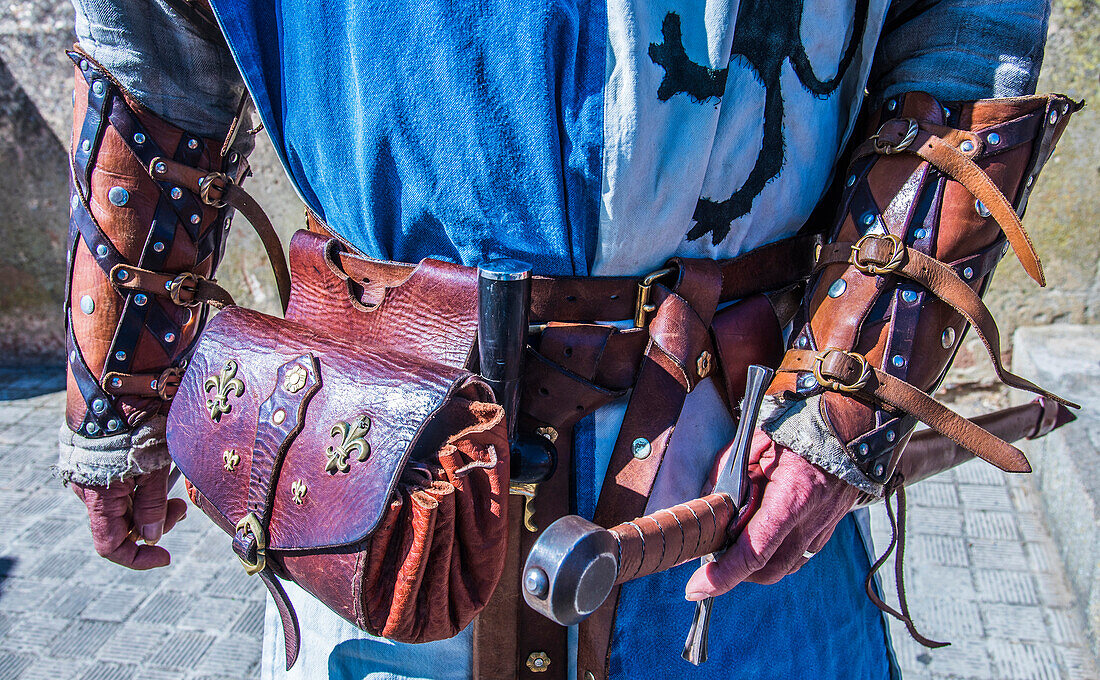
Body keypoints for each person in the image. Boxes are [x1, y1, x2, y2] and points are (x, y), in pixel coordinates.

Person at [58, 0, 1071, 678]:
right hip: (369, 489)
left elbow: (967, 24)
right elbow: (152, 46)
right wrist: (113, 395)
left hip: (733, 498)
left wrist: (842, 402)